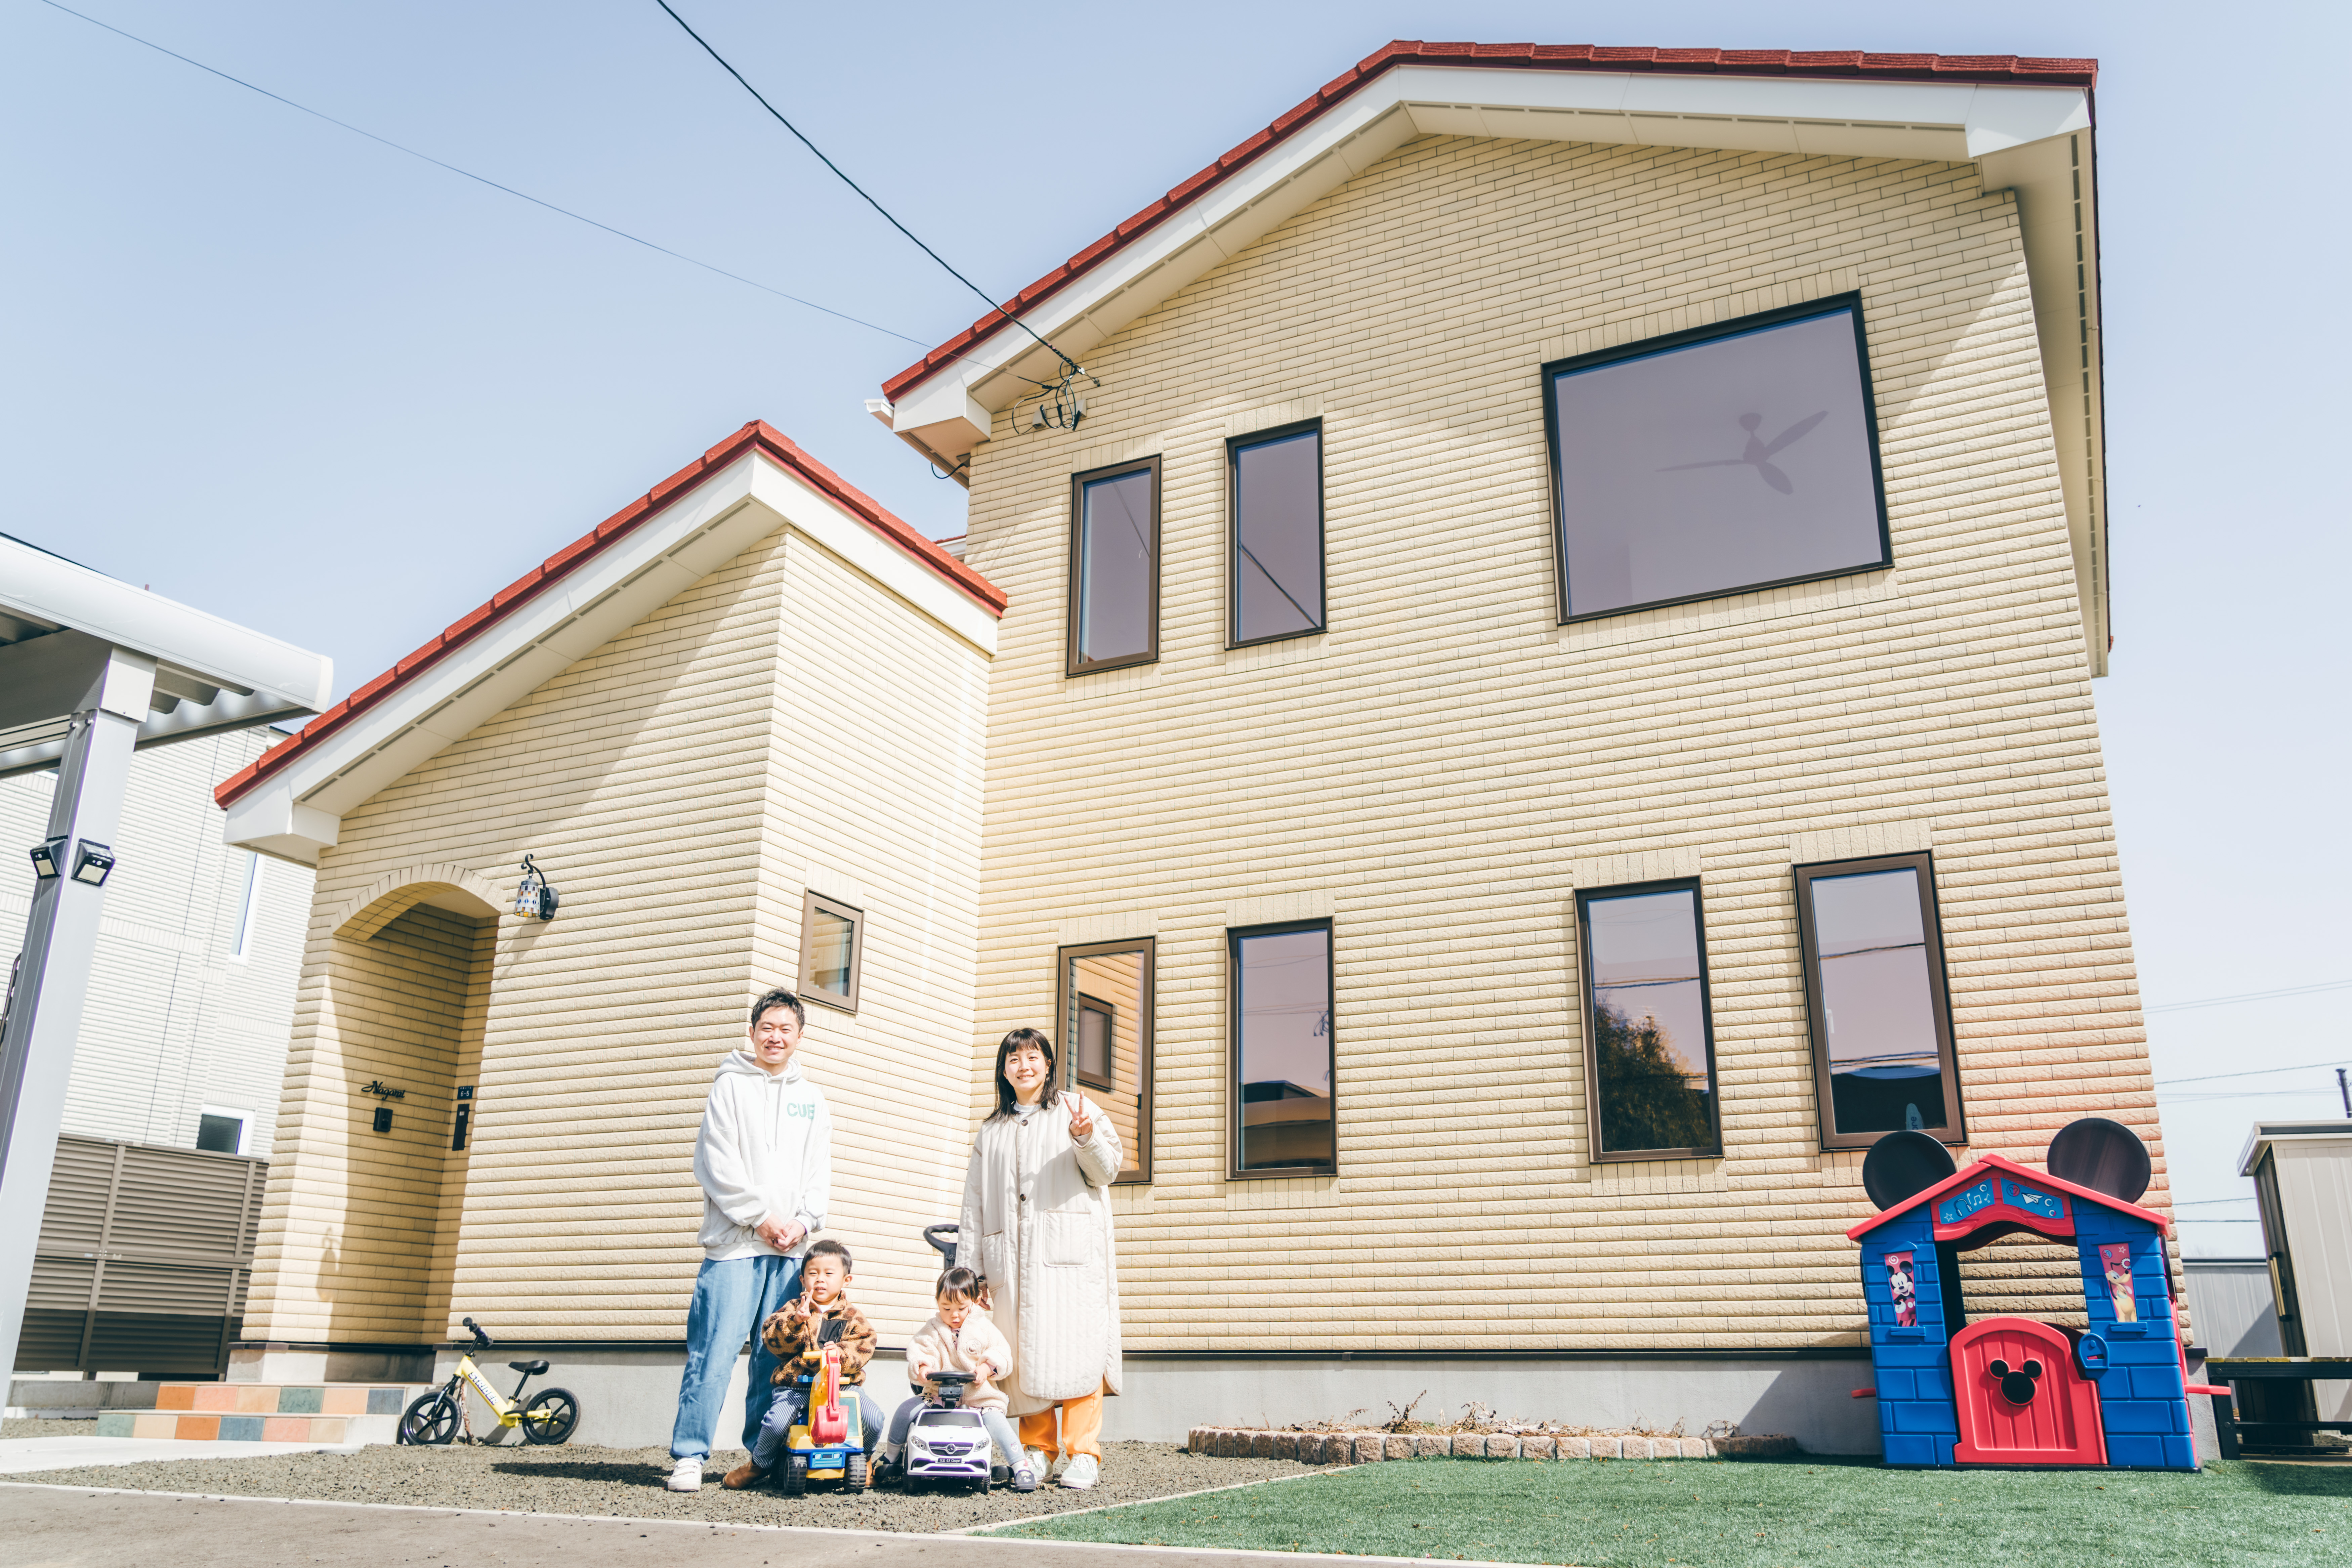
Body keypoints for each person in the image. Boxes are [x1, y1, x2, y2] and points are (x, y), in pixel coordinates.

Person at [663, 988, 833, 1493]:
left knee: (774, 1358)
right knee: (713, 1353)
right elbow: (715, 1163)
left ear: (800, 1036)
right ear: (753, 1031)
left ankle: (760, 1457)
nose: (775, 1036)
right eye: (767, 1027)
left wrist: (802, 1221)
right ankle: (690, 1455)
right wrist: (761, 1217)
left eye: (786, 1028)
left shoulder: (812, 1098)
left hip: (789, 1251)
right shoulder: (730, 1086)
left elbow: (818, 1171)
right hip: (735, 1245)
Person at [956, 1027, 1123, 1489]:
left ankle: (1084, 1452)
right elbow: (974, 1205)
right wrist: (971, 1272)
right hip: (1008, 1259)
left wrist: (1084, 1136)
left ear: (1049, 1064)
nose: (1024, 1065)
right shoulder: (990, 1131)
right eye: (1014, 1058)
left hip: (1069, 1257)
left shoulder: (1077, 1108)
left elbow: (1107, 1170)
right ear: (1003, 1069)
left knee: (1077, 1350)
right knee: (1023, 1354)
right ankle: (1039, 1448)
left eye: (1033, 1056)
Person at [725, 1240, 882, 1487]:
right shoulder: (793, 1309)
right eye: (813, 1273)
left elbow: (865, 1344)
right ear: (803, 1280)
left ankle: (865, 1460)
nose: (820, 1280)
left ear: (846, 1280)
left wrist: (841, 1354)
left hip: (841, 1387)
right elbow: (772, 1339)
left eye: (829, 1274)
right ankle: (759, 1464)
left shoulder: (852, 1315)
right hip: (798, 1385)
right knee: (776, 1423)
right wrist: (795, 1322)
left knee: (874, 1418)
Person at [877, 1266, 1036, 1491]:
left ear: (975, 1300)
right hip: (937, 1396)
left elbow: (1003, 1353)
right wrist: (923, 1366)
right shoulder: (933, 1329)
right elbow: (921, 1349)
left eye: (961, 1308)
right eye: (946, 1307)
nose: (954, 1314)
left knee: (999, 1423)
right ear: (937, 1302)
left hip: (979, 1397)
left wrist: (987, 1366)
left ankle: (1021, 1466)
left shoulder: (984, 1327)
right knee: (905, 1411)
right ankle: (891, 1457)